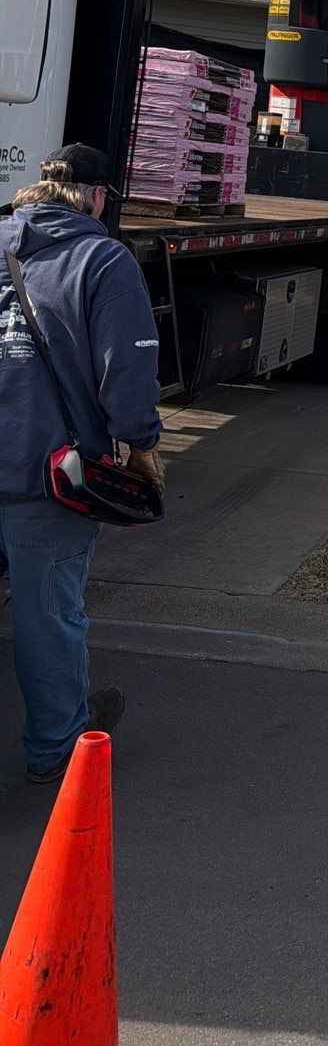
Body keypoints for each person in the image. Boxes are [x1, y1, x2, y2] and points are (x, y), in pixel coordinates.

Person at [0, 143, 165, 783]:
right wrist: (142, 446)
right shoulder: (102, 257)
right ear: (98, 198)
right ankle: (56, 749)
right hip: (46, 475)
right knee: (46, 616)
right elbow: (126, 377)